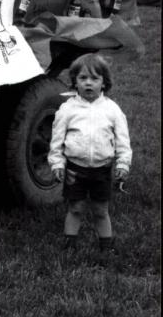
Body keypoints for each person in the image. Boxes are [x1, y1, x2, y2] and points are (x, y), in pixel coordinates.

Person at [47, 53, 131, 257]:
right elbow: (56, 140)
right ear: (75, 82)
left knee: (101, 210)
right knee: (75, 207)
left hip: (102, 170)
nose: (88, 83)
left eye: (94, 78)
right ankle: (69, 246)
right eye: (83, 78)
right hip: (76, 170)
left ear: (104, 83)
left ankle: (106, 248)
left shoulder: (112, 110)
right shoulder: (67, 110)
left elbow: (123, 141)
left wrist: (123, 164)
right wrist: (57, 163)